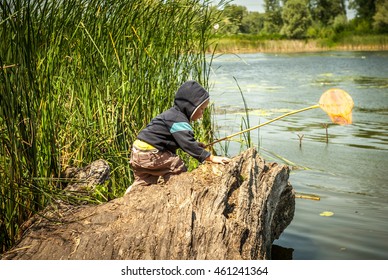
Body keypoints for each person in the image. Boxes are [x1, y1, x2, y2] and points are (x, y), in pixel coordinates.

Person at [125, 80, 230, 195]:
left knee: (145, 182)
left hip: (138, 152)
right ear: (191, 107)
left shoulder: (172, 115)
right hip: (151, 153)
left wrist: (196, 144)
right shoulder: (178, 120)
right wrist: (210, 157)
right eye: (201, 109)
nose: (202, 114)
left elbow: (180, 140)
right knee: (176, 165)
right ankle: (178, 194)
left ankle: (131, 194)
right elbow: (188, 144)